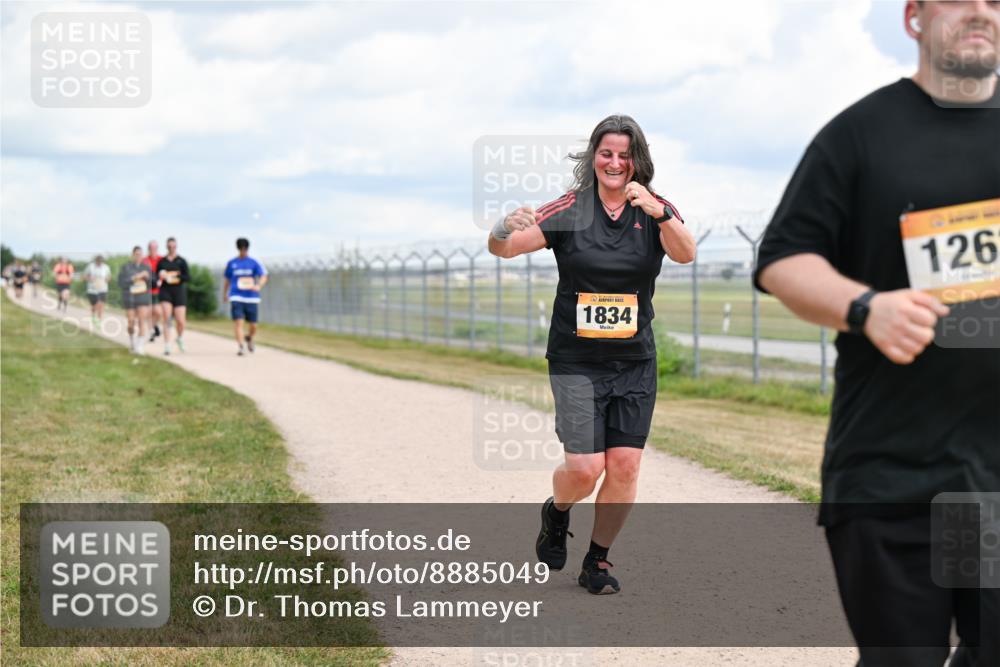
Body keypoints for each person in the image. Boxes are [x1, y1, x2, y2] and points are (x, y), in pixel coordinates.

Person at [753, 2, 999, 665]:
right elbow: (781, 259)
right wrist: (866, 307)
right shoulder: (860, 135)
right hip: (892, 478)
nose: (980, 10)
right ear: (915, 16)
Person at [488, 114, 695, 595]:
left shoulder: (655, 209)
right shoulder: (571, 208)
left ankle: (596, 562)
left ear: (638, 160)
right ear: (594, 158)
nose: (616, 163)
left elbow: (685, 253)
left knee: (624, 465)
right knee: (585, 470)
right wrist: (500, 227)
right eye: (607, 153)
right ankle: (557, 512)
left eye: (625, 155)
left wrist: (660, 213)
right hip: (577, 362)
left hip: (634, 362)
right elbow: (505, 248)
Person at [223, 237, 268, 356]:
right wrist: (225, 293)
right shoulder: (232, 263)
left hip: (251, 297)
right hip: (236, 296)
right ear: (238, 249)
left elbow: (263, 275)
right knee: (239, 322)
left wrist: (258, 286)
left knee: (253, 324)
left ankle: (250, 337)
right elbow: (227, 279)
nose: (243, 251)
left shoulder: (254, 262)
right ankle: (241, 346)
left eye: (245, 249)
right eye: (241, 248)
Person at [157, 237, 190, 355]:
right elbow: (157, 277)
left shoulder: (181, 261)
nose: (171, 248)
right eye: (169, 246)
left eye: (173, 246)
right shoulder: (162, 261)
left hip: (179, 292)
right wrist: (162, 276)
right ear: (167, 247)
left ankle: (179, 338)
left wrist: (176, 276)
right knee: (167, 318)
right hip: (166, 292)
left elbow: (187, 277)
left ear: (176, 247)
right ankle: (167, 345)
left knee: (181, 320)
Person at [119, 245, 153, 355]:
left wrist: (148, 277)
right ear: (133, 255)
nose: (138, 256)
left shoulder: (147, 267)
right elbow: (121, 282)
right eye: (136, 254)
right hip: (130, 298)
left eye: (140, 254)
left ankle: (140, 346)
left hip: (143, 297)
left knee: (142, 321)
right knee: (131, 322)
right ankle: (132, 342)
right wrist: (135, 277)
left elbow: (153, 282)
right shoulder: (126, 267)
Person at [143, 240, 164, 342]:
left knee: (158, 312)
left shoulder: (161, 259)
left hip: (158, 290)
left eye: (155, 248)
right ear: (148, 249)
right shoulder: (145, 260)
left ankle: (154, 326)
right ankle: (151, 332)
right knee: (149, 312)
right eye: (151, 248)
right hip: (147, 290)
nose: (153, 250)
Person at [83, 255, 111, 324]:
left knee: (101, 304)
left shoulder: (106, 267)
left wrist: (107, 279)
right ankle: (93, 316)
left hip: (103, 289)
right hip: (92, 289)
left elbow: (109, 277)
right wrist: (90, 279)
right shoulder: (90, 266)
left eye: (101, 261)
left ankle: (99, 320)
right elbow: (84, 276)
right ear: (96, 261)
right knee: (94, 306)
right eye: (98, 261)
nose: (99, 262)